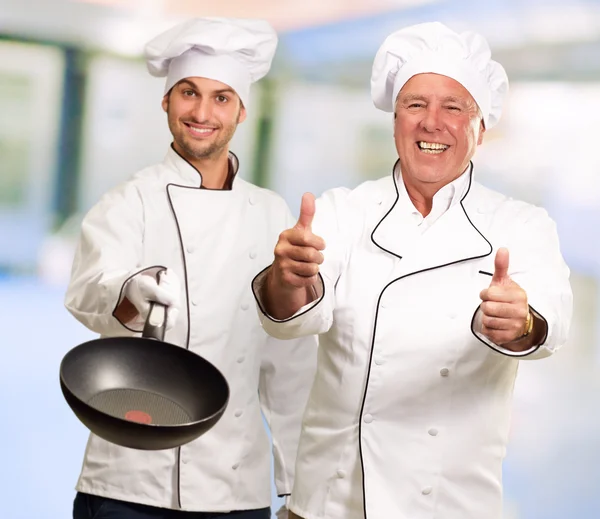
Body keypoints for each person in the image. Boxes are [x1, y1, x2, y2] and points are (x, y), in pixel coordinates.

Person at [252, 21, 573, 519]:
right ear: (396, 118)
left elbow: (546, 328)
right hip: (328, 503)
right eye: (415, 104)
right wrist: (288, 278)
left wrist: (519, 323)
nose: (431, 123)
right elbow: (293, 318)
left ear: (481, 127)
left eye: (453, 107)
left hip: (448, 506)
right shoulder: (343, 211)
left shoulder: (523, 226)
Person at [64, 17, 316, 519]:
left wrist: (296, 488)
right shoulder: (128, 201)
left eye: (221, 97)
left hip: (235, 488)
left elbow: (290, 366)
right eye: (189, 93)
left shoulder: (271, 215)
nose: (202, 112)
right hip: (128, 482)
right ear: (165, 101)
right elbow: (85, 294)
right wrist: (129, 291)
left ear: (242, 111)